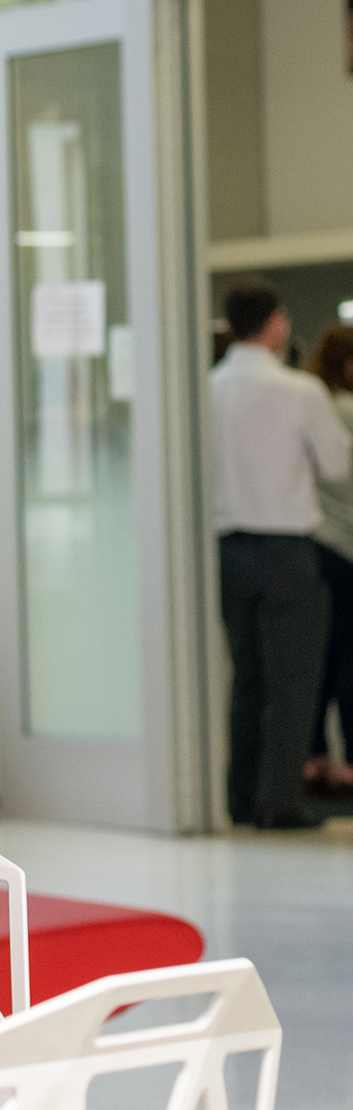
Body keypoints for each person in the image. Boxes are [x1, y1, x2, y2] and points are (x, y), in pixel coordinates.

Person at [210, 285, 351, 829]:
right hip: (289, 549)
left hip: (228, 548)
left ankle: (240, 798)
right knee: (293, 682)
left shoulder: (208, 389)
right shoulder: (299, 390)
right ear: (274, 324)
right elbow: (337, 467)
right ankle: (281, 802)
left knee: (247, 678)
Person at [305, 325, 353, 795]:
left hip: (319, 545)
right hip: (347, 548)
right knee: (350, 658)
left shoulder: (316, 407)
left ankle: (315, 758)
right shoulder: (347, 410)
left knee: (319, 656)